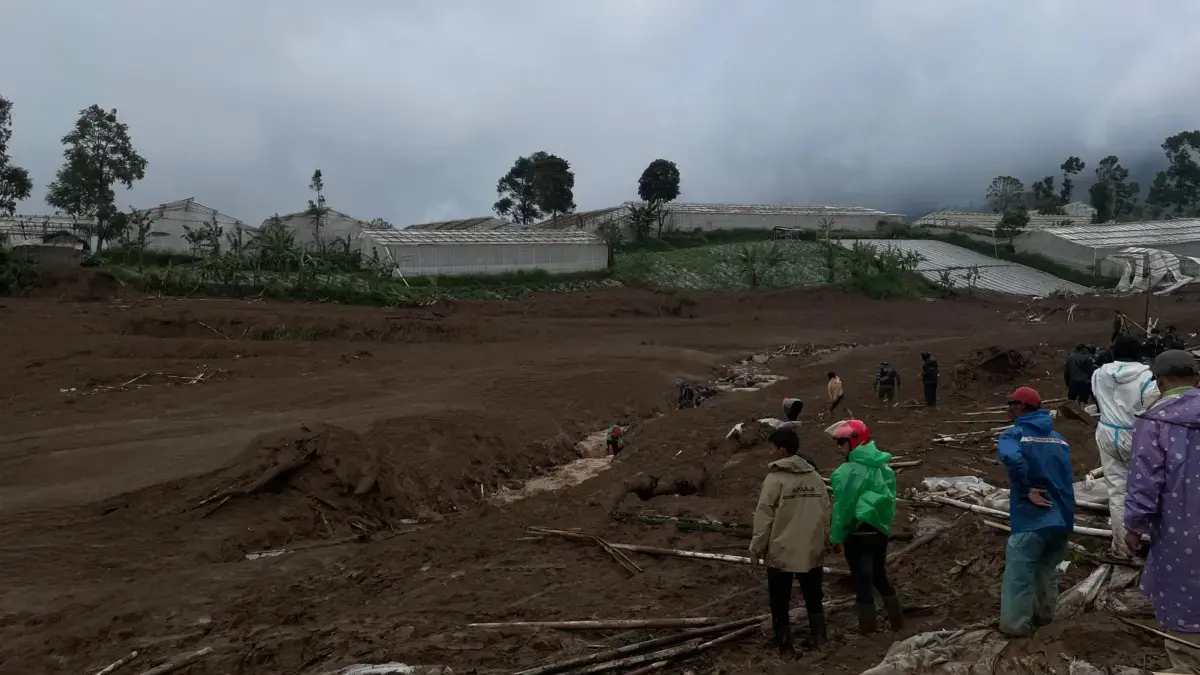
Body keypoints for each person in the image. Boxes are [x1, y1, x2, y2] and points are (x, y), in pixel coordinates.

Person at [1124, 350, 1200, 673]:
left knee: (1187, 625)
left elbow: (1144, 483)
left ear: (1160, 381)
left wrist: (1133, 527)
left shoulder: (1155, 421)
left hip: (1183, 537)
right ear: (1197, 379)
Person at [996, 386, 1076, 636]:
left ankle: (1014, 629)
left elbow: (1013, 459)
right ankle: (1045, 623)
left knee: (1019, 575)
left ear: (1021, 407)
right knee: (1046, 571)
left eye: (1011, 404)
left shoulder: (1014, 435)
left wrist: (1027, 487)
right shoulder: (1059, 439)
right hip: (1062, 518)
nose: (1008, 409)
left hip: (1032, 518)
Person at [750, 427, 831, 658]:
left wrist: (756, 549)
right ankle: (821, 640)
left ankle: (786, 649)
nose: (770, 453)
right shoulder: (815, 477)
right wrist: (828, 538)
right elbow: (825, 512)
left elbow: (764, 517)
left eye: (772, 448)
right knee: (814, 598)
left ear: (782, 451)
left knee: (780, 602)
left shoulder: (774, 479)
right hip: (811, 549)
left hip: (781, 552)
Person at [828, 419, 903, 635]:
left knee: (862, 581)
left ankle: (868, 631)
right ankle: (897, 622)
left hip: (857, 534)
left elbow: (843, 508)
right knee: (879, 574)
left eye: (841, 442)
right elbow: (889, 500)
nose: (838, 447)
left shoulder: (845, 471)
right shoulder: (882, 467)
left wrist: (837, 536)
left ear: (853, 442)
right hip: (878, 530)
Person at [1091, 336, 1160, 558]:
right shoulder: (1147, 376)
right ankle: (1147, 540)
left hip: (1106, 431)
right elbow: (1153, 406)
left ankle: (1121, 547)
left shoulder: (1099, 373)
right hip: (1135, 434)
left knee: (1116, 490)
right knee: (1144, 488)